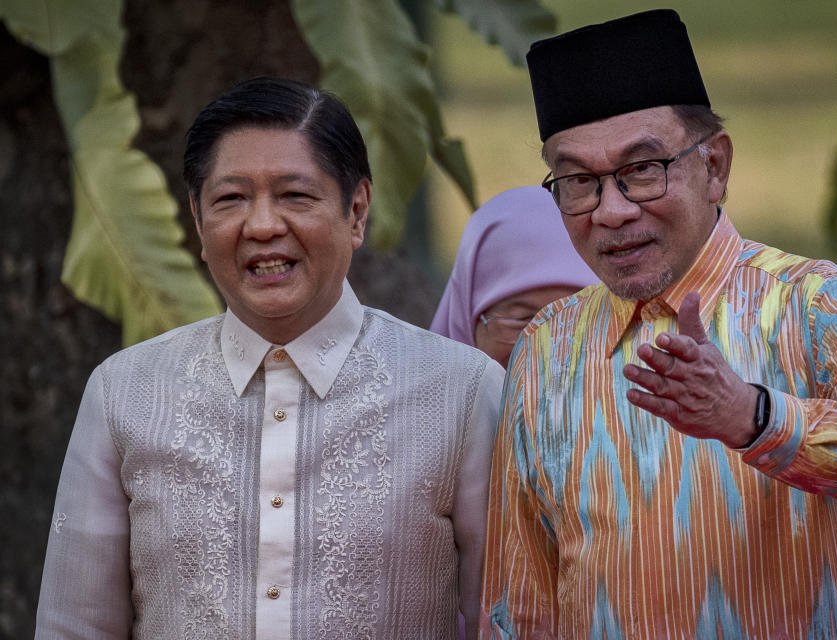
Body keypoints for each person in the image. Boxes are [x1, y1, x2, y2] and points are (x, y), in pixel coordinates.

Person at [480, 10, 837, 639]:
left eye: (641, 171)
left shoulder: (820, 302)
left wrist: (751, 417)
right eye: (579, 181)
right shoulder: (547, 345)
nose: (610, 211)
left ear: (714, 166)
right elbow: (521, 595)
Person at [35, 77, 504, 640]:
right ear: (198, 220)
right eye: (231, 198)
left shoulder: (461, 391)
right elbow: (74, 625)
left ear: (356, 211)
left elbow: (504, 618)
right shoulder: (126, 392)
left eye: (295, 196)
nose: (261, 225)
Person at [430, 185, 597, 367]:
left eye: (578, 320)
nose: (550, 351)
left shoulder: (628, 388)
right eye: (523, 319)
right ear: (465, 319)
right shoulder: (425, 394)